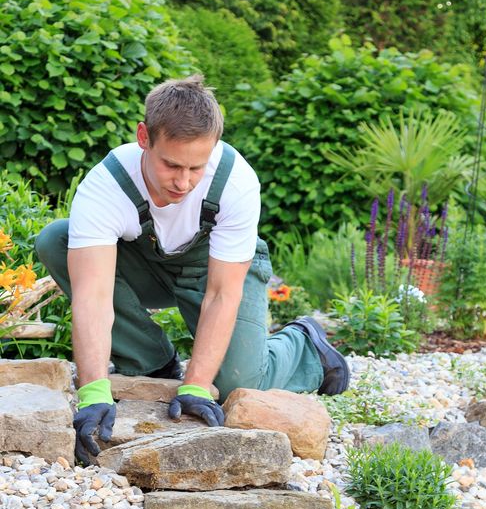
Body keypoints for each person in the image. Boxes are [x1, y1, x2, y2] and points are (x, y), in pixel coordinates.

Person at [36, 75, 349, 464]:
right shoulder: (106, 186)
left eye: (196, 168)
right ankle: (152, 362)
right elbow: (93, 295)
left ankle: (304, 348)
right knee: (57, 239)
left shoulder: (235, 182)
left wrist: (198, 386)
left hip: (212, 272)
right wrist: (94, 391)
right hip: (146, 265)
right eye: (171, 165)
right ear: (144, 137)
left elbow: (222, 293)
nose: (183, 182)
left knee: (235, 384)